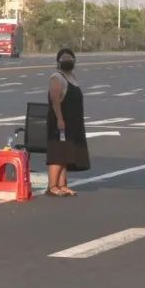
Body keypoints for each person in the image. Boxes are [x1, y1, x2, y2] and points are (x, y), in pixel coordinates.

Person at [46, 47, 89, 197]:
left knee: (66, 155)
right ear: (58, 61)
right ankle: (52, 186)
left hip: (73, 123)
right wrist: (60, 119)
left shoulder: (72, 77)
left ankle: (63, 185)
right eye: (64, 58)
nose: (67, 60)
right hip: (60, 123)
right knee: (58, 154)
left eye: (70, 58)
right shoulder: (57, 77)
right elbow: (55, 99)